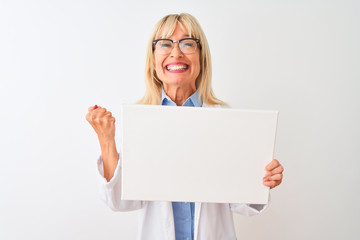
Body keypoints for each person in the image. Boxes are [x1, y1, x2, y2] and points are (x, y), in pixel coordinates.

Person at [86, 13, 284, 240]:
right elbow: (119, 201)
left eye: (188, 43)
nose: (176, 52)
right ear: (153, 59)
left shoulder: (228, 123)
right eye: (164, 43)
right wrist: (106, 139)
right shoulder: (137, 122)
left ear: (202, 58)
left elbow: (243, 203)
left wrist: (263, 179)